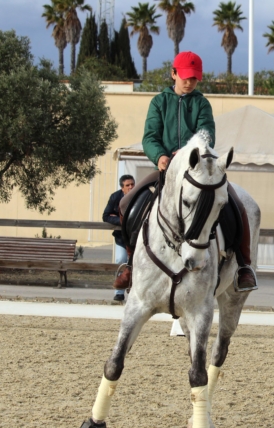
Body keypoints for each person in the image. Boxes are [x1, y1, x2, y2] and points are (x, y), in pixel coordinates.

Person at [118, 51, 257, 291]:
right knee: (127, 204)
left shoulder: (201, 103)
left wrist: (185, 154)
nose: (190, 82)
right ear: (173, 74)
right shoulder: (159, 102)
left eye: (194, 78)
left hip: (199, 171)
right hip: (166, 172)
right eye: (186, 77)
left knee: (237, 205)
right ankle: (130, 264)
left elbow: (206, 134)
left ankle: (244, 265)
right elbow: (150, 136)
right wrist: (160, 156)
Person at [103, 174, 135, 301]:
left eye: (132, 184)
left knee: (137, 265)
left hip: (137, 239)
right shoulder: (115, 197)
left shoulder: (141, 195)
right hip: (122, 239)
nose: (131, 187)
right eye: (128, 185)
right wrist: (122, 220)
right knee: (121, 260)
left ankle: (134, 294)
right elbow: (106, 216)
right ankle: (119, 293)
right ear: (122, 188)